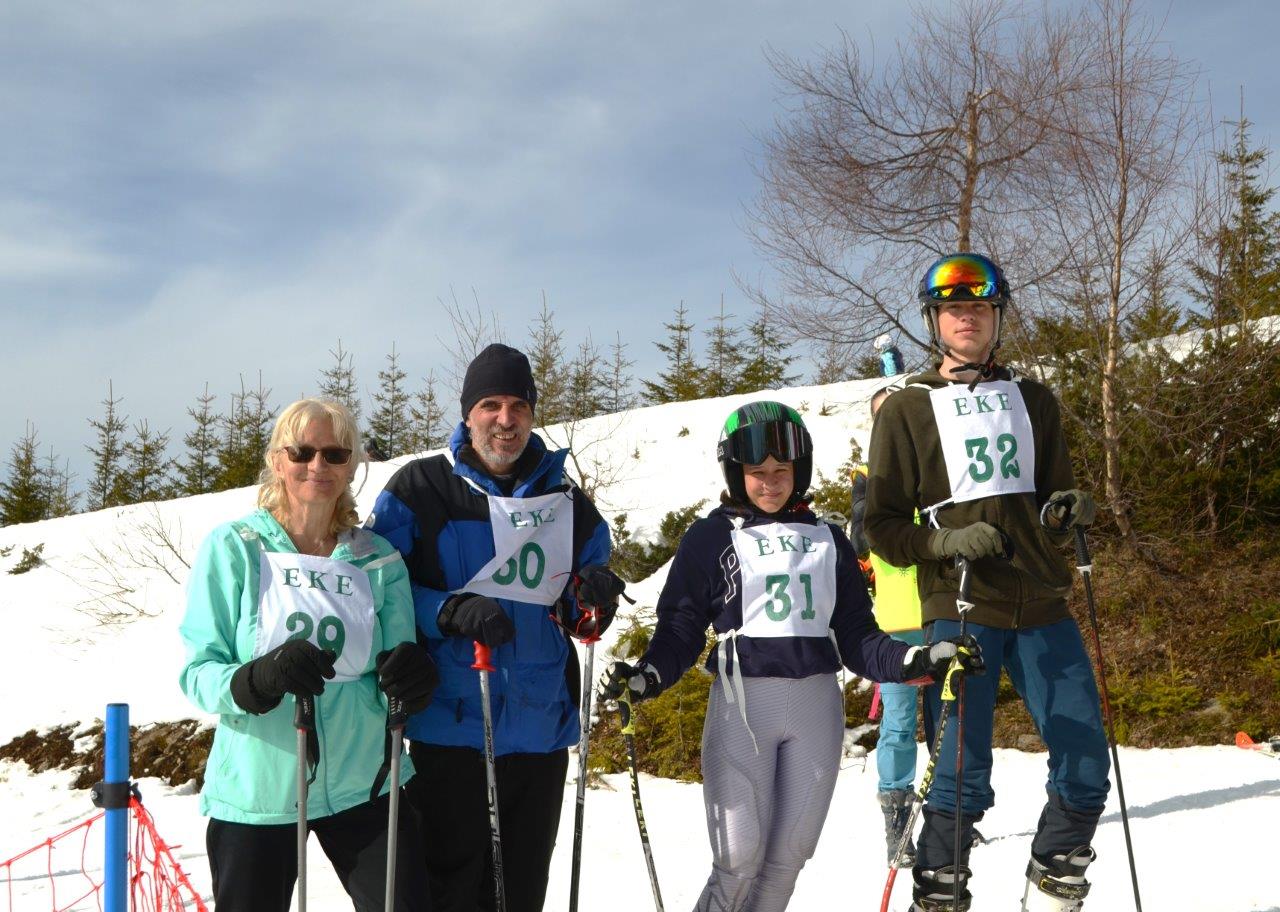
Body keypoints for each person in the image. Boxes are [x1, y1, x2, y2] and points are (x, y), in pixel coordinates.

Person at [600, 400, 981, 912]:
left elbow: (858, 635)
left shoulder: (827, 539)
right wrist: (646, 675)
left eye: (782, 471)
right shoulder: (711, 537)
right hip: (743, 705)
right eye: (757, 472)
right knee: (738, 859)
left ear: (799, 470)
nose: (770, 483)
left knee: (788, 858)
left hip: (815, 705)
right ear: (736, 473)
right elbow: (681, 629)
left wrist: (914, 661)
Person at [865, 253, 1109, 912]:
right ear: (934, 321)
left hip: (1041, 598)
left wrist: (1064, 511)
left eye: (978, 306)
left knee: (1086, 761)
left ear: (997, 316)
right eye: (953, 308)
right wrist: (942, 542)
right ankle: (940, 892)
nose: (966, 318)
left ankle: (1055, 881)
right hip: (961, 600)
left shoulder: (1034, 399)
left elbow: (1051, 492)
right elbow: (881, 525)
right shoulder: (908, 409)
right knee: (958, 772)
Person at [367, 342, 623, 912]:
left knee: (521, 892)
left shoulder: (567, 501)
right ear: (468, 414)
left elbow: (580, 610)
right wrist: (448, 610)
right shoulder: (420, 489)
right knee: (448, 890)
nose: (505, 420)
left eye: (518, 406)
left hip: (539, 730)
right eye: (490, 405)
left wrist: (594, 598)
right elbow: (375, 588)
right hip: (450, 727)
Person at [179, 398, 437, 912]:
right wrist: (256, 679)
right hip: (261, 789)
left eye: (335, 454)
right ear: (278, 461)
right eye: (301, 452)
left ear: (352, 466)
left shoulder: (378, 558)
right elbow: (198, 671)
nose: (318, 465)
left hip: (367, 783)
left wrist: (413, 679)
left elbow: (398, 665)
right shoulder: (235, 548)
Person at [852, 387, 925, 866]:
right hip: (897, 625)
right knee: (898, 726)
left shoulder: (935, 468)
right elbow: (861, 540)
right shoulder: (869, 480)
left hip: (946, 615)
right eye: (884, 417)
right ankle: (897, 826)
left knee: (953, 724)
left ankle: (950, 815)